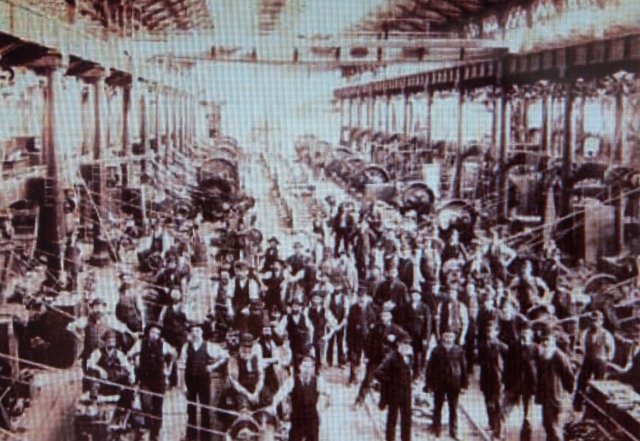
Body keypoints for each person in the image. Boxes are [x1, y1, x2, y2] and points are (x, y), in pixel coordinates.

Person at [178, 323, 229, 441]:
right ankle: (191, 437)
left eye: (197, 331)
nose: (195, 333)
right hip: (189, 380)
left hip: (203, 380)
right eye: (193, 331)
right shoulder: (186, 347)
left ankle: (205, 437)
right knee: (191, 409)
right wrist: (183, 385)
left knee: (205, 408)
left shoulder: (209, 346)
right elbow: (181, 366)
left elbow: (225, 356)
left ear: (202, 332)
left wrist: (212, 367)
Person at [127, 323, 176, 441]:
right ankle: (148, 427)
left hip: (159, 380)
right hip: (145, 379)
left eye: (157, 334)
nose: (155, 335)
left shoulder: (163, 344)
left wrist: (168, 369)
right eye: (153, 332)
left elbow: (173, 353)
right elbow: (129, 355)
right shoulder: (140, 343)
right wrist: (134, 363)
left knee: (158, 406)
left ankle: (156, 433)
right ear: (148, 332)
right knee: (146, 404)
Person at [271, 355, 330, 441]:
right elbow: (279, 395)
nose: (307, 370)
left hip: (312, 419)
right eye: (305, 366)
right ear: (300, 367)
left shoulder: (318, 381)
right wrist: (276, 407)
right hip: (297, 419)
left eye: (310, 367)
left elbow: (329, 397)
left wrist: (321, 408)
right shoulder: (292, 381)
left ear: (313, 368)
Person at [425, 331, 468, 440]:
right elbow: (430, 369)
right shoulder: (436, 350)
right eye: (446, 337)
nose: (448, 339)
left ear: (454, 339)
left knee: (453, 408)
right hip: (439, 383)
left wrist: (464, 385)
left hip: (454, 383)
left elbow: (464, 368)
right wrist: (429, 385)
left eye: (451, 337)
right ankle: (436, 428)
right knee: (437, 407)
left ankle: (454, 431)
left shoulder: (458, 350)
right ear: (442, 338)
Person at [535, 329, 575, 441]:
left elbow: (569, 376)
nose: (545, 343)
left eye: (548, 340)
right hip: (546, 398)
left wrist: (566, 393)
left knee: (555, 429)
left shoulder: (559, 356)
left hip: (557, 398)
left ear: (553, 341)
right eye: (543, 340)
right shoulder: (543, 355)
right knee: (547, 425)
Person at [86, 331, 136, 418]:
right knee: (92, 375)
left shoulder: (119, 354)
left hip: (114, 380)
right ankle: (93, 403)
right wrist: (100, 370)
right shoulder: (98, 352)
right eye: (109, 341)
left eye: (113, 341)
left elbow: (127, 366)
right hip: (102, 381)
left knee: (129, 382)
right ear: (105, 341)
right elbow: (89, 363)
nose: (111, 343)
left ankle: (125, 409)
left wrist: (132, 375)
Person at [573, 311, 615, 412]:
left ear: (601, 322)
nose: (594, 323)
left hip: (600, 361)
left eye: (597, 321)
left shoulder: (606, 334)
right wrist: (584, 353)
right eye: (592, 321)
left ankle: (596, 406)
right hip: (588, 359)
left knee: (599, 383)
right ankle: (577, 404)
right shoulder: (585, 333)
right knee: (582, 380)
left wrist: (607, 359)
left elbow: (611, 349)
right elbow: (582, 346)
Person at [375, 338, 414, 441]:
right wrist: (391, 380)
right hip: (394, 393)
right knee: (392, 418)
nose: (406, 347)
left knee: (407, 419)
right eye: (403, 344)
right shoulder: (391, 358)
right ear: (399, 345)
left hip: (407, 393)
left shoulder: (410, 357)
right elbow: (378, 373)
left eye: (408, 344)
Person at [478, 321, 508, 439]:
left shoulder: (502, 347)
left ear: (497, 332)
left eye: (492, 331)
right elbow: (480, 362)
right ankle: (491, 425)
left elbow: (509, 362)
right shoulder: (482, 346)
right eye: (488, 332)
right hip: (486, 378)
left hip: (498, 379)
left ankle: (499, 430)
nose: (489, 334)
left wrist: (506, 377)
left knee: (498, 404)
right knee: (488, 403)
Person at [398, 290, 432, 380]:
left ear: (420, 296)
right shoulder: (406, 307)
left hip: (420, 336)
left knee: (419, 355)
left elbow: (428, 324)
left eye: (416, 295)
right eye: (412, 295)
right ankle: (408, 372)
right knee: (408, 354)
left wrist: (426, 337)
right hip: (409, 335)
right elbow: (402, 322)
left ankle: (418, 373)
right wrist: (403, 335)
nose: (414, 297)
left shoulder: (425, 307)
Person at [346, 292, 376, 384]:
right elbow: (349, 326)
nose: (361, 301)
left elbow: (374, 322)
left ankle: (369, 379)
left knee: (369, 359)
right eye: (359, 299)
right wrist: (348, 339)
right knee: (354, 358)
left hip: (367, 339)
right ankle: (352, 378)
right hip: (354, 338)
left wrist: (370, 327)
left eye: (363, 299)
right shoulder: (353, 309)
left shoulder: (371, 309)